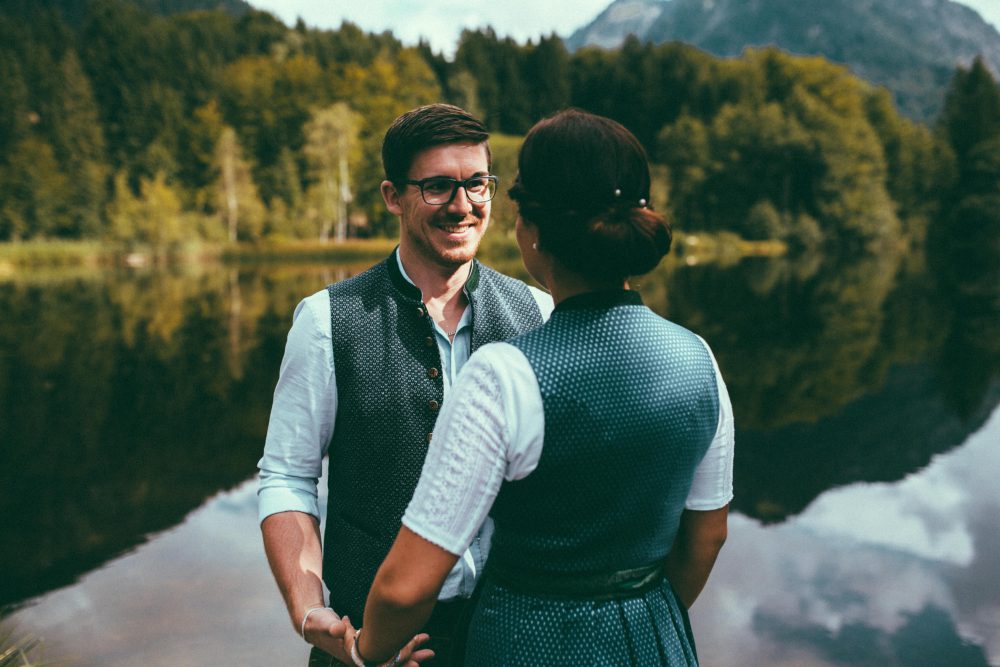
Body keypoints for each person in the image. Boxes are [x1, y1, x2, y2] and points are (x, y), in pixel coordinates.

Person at [344, 108, 734, 666]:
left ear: (532, 232)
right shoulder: (699, 358)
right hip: (656, 639)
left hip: (526, 645)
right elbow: (707, 537)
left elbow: (405, 588)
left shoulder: (503, 375)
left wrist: (365, 650)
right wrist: (641, 613)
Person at [257, 103, 553, 666]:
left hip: (511, 636)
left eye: (477, 184)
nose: (463, 205)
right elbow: (289, 476)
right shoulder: (325, 321)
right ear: (392, 196)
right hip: (365, 644)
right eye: (438, 186)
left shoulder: (538, 312)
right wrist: (309, 610)